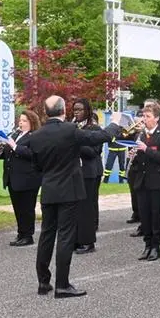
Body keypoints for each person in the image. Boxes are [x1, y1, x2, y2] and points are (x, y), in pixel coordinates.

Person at [23, 96, 122, 298]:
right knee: (66, 236)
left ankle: (43, 282)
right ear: (63, 111)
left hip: (49, 189)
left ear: (46, 112)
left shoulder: (37, 135)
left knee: (46, 235)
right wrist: (114, 124)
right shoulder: (70, 131)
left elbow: (36, 166)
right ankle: (62, 284)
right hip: (69, 189)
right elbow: (99, 138)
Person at [132, 103, 160, 261]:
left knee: (156, 213)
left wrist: (146, 150)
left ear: (156, 118)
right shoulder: (140, 135)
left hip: (156, 179)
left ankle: (156, 246)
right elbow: (140, 160)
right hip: (141, 180)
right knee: (144, 214)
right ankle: (147, 244)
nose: (144, 119)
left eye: (148, 116)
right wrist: (134, 155)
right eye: (143, 116)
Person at [1, 109, 42, 247]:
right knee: (18, 207)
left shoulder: (35, 136)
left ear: (32, 122)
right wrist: (0, 150)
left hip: (28, 178)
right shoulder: (16, 134)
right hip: (13, 177)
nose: (21, 123)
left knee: (27, 208)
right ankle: (21, 232)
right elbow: (9, 153)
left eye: (24, 121)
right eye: (20, 120)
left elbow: (33, 154)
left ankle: (28, 235)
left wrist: (15, 146)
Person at [73, 99, 103, 254]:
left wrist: (77, 143)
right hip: (75, 172)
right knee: (76, 207)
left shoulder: (94, 128)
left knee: (87, 208)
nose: (76, 112)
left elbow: (94, 152)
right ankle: (76, 239)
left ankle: (88, 241)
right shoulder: (72, 127)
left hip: (89, 172)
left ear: (87, 111)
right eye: (74, 110)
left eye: (80, 109)